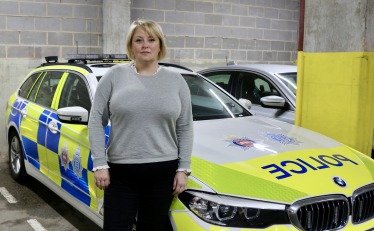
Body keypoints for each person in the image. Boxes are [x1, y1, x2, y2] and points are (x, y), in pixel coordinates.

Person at [88, 19, 193, 231]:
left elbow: (185, 126)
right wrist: (100, 164)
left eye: (151, 39)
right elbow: (96, 120)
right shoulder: (114, 76)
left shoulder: (177, 81)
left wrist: (183, 168)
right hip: (120, 175)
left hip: (163, 175)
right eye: (139, 40)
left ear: (160, 45)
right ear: (131, 46)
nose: (145, 45)